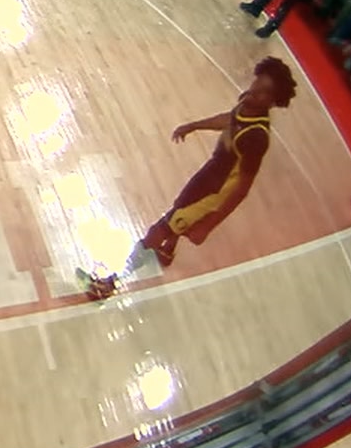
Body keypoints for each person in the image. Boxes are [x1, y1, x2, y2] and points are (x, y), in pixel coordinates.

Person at [82, 57, 298, 300]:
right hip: (208, 177)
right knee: (177, 210)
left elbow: (242, 189)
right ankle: (168, 250)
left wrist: (209, 224)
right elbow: (228, 119)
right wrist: (193, 126)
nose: (256, 92)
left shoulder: (256, 137)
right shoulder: (246, 102)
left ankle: (111, 282)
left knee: (159, 229)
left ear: (272, 102)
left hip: (214, 193)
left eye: (265, 92)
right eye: (257, 83)